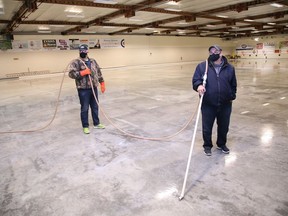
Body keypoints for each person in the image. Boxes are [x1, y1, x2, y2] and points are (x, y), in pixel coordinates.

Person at [192, 45, 237, 156]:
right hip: (208, 103)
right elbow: (196, 80)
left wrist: (231, 95)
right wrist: (198, 86)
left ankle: (221, 144)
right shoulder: (202, 66)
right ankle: (207, 146)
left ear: (221, 52)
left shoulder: (230, 68)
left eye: (215, 51)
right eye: (211, 52)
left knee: (224, 126)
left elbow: (233, 84)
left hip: (225, 104)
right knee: (207, 127)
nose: (213, 53)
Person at [69, 44, 106, 134]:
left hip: (94, 88)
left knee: (95, 106)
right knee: (85, 108)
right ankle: (85, 126)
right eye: (80, 51)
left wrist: (102, 82)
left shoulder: (93, 61)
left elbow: (98, 72)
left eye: (84, 51)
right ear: (79, 52)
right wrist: (82, 73)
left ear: (87, 51)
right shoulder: (76, 62)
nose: (82, 52)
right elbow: (71, 74)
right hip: (83, 90)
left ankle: (96, 123)